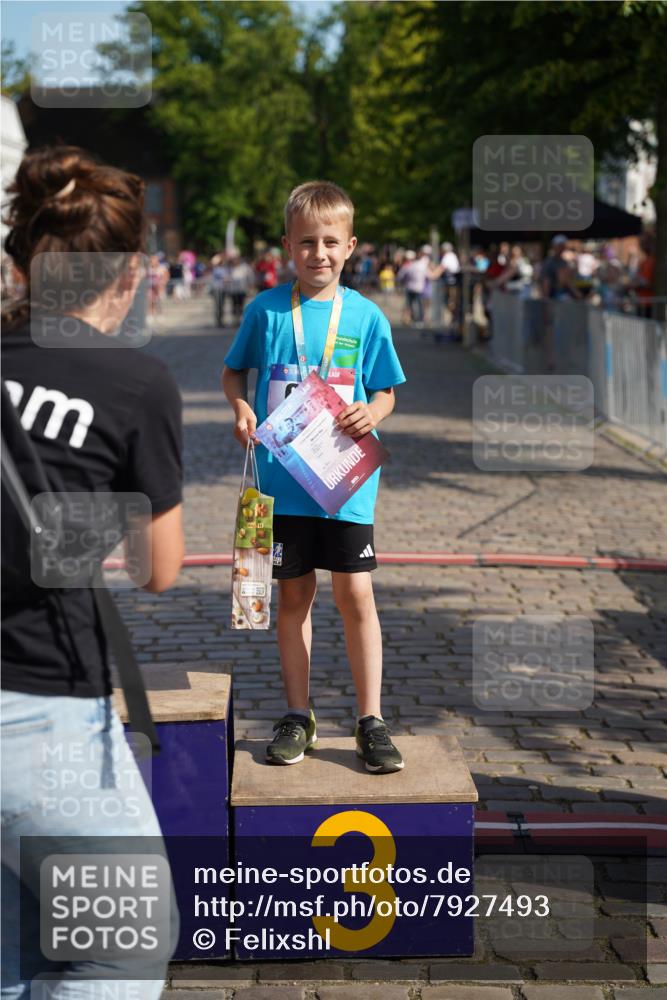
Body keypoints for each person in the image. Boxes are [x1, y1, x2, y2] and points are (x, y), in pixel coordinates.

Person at [1, 145, 184, 998]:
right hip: (41, 708)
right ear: (132, 272)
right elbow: (158, 569)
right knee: (122, 943)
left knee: (17, 958)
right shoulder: (135, 382)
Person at [222, 180, 406, 774]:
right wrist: (241, 407)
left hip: (345, 483)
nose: (318, 253)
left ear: (350, 246)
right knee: (293, 597)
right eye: (306, 242)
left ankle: (371, 720)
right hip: (281, 485)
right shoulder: (265, 310)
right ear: (286, 246)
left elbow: (387, 390)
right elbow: (233, 373)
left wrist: (373, 412)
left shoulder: (367, 315)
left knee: (356, 596)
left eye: (330, 242)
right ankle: (297, 715)